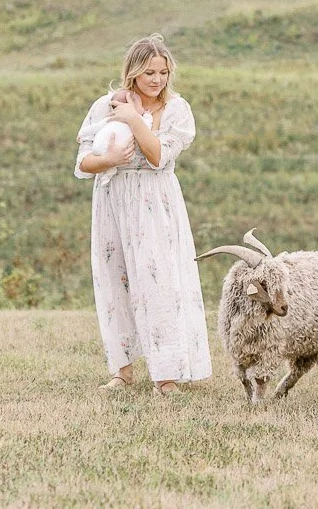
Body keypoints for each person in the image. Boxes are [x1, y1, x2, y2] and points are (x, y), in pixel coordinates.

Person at [74, 35, 213, 394]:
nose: (157, 79)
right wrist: (108, 160)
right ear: (133, 72)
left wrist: (134, 119)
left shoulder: (177, 110)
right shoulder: (105, 105)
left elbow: (158, 157)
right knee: (114, 280)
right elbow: (83, 162)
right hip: (112, 198)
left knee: (158, 283)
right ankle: (122, 371)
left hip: (155, 201)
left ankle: (165, 375)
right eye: (149, 72)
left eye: (163, 72)